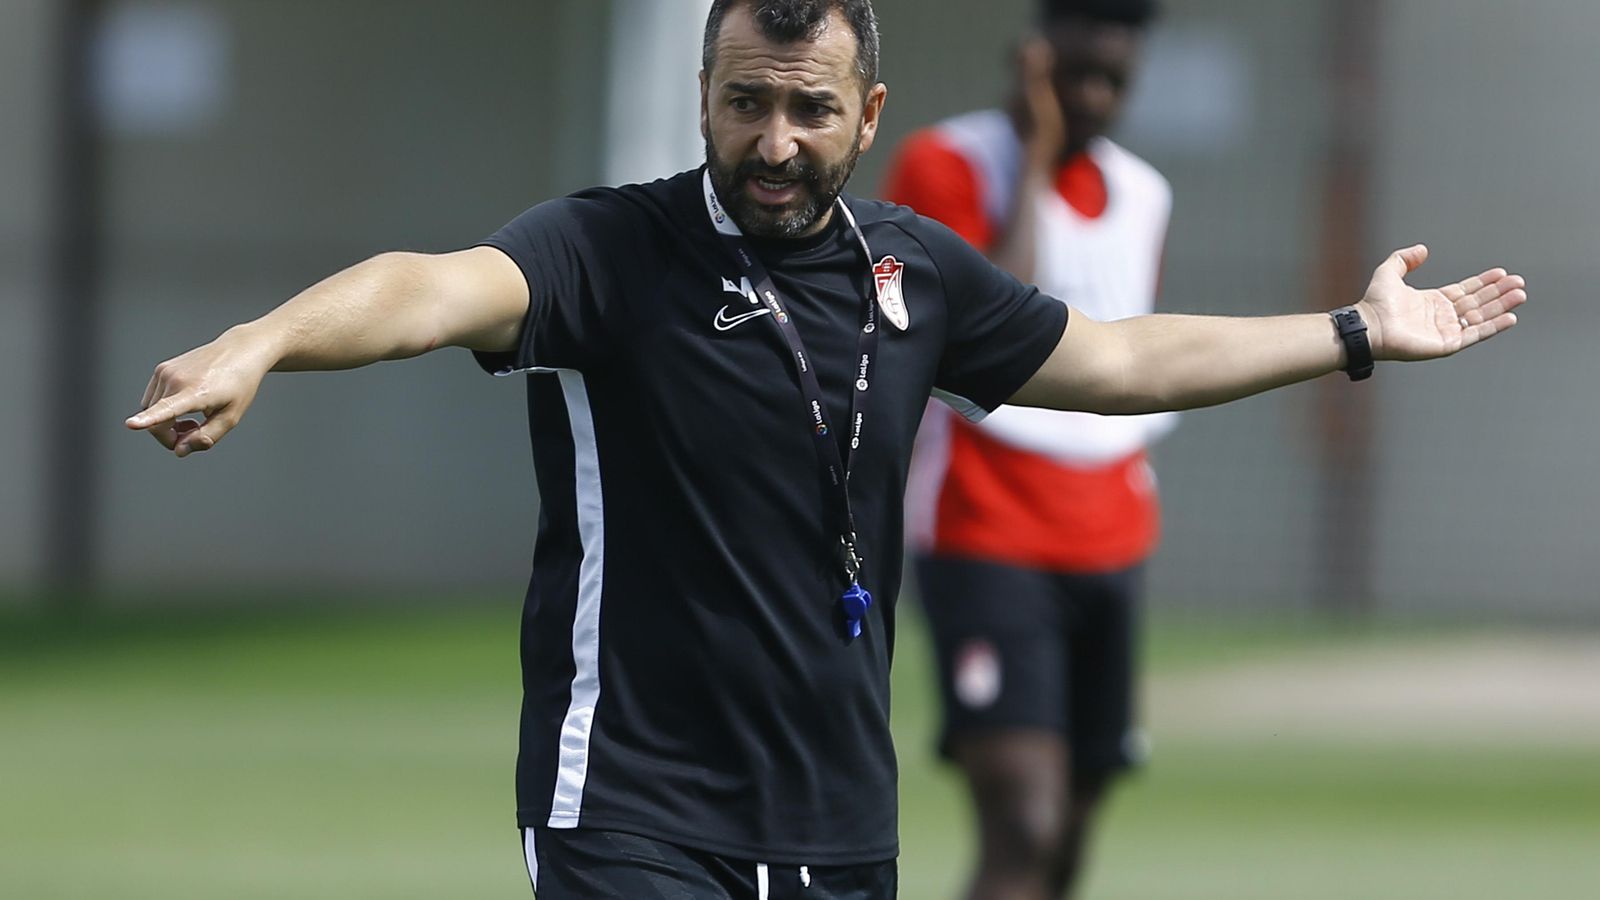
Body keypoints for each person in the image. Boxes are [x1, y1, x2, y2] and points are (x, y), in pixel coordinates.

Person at [125, 1, 1523, 897]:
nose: (774, 141)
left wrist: (1351, 330)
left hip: (841, 824)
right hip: (632, 816)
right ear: (705, 99)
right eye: (746, 101)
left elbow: (1116, 359)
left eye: (807, 108)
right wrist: (261, 340)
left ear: (868, 116)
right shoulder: (611, 249)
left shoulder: (917, 272)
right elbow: (425, 288)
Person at [882, 1, 1171, 896]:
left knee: (1074, 825)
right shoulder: (948, 162)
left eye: (1112, 80)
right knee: (1023, 820)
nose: (1090, 95)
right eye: (1073, 72)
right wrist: (1037, 159)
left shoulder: (1146, 193)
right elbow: (981, 339)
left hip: (1111, 535)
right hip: (986, 530)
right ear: (1030, 61)